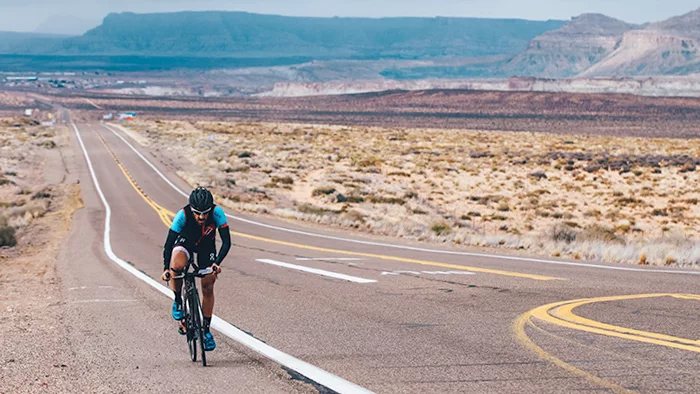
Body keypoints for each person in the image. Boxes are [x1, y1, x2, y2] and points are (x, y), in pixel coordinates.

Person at [161, 186, 231, 351]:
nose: (201, 216)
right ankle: (178, 301)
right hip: (185, 241)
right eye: (197, 212)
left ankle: (206, 331)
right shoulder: (182, 215)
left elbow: (226, 242)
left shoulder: (217, 213)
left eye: (205, 213)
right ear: (191, 209)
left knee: (208, 285)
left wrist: (217, 263)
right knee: (176, 266)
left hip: (207, 247)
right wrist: (166, 269)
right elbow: (168, 244)